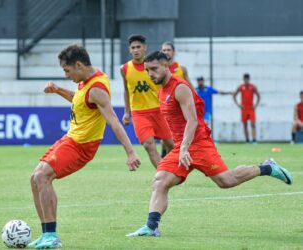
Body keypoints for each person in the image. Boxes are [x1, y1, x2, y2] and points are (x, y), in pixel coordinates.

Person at [126, 51, 293, 237]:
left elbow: (193, 120)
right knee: (160, 181)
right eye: (148, 70)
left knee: (226, 181)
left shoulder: (180, 88)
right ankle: (151, 227)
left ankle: (267, 168)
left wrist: (183, 148)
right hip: (182, 146)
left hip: (198, 144)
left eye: (154, 69)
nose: (150, 74)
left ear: (167, 66)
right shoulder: (161, 90)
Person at [29, 45, 141, 248]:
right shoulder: (85, 82)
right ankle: (46, 232)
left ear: (79, 65)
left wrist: (131, 152)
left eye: (67, 70)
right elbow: (80, 100)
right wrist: (58, 90)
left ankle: (52, 236)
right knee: (35, 179)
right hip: (70, 138)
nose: (66, 75)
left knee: (42, 177)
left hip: (81, 145)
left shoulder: (97, 88)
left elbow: (113, 120)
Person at [121, 34, 173, 167]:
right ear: (129, 50)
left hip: (159, 110)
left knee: (171, 144)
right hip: (139, 113)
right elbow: (127, 90)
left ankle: (172, 170)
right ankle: (163, 175)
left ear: (145, 48)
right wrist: (127, 112)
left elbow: (166, 85)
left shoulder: (154, 65)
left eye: (139, 47)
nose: (136, 50)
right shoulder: (124, 69)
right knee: (148, 145)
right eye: (133, 47)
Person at [233, 73, 261, 143]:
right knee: (245, 125)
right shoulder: (241, 87)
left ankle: (254, 140)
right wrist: (238, 105)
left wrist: (255, 105)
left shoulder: (253, 87)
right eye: (245, 80)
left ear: (249, 79)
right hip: (244, 108)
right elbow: (234, 95)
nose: (246, 81)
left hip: (251, 108)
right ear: (243, 80)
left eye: (247, 79)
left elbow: (258, 96)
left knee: (253, 124)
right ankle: (247, 140)